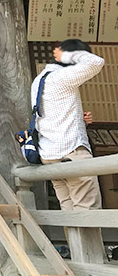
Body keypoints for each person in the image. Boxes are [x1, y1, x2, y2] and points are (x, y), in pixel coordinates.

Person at [33, 39, 104, 211]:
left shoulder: (40, 79)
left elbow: (52, 116)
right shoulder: (61, 77)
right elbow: (96, 61)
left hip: (50, 154)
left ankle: (73, 240)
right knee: (87, 211)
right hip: (71, 152)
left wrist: (79, 120)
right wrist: (67, 55)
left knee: (69, 209)